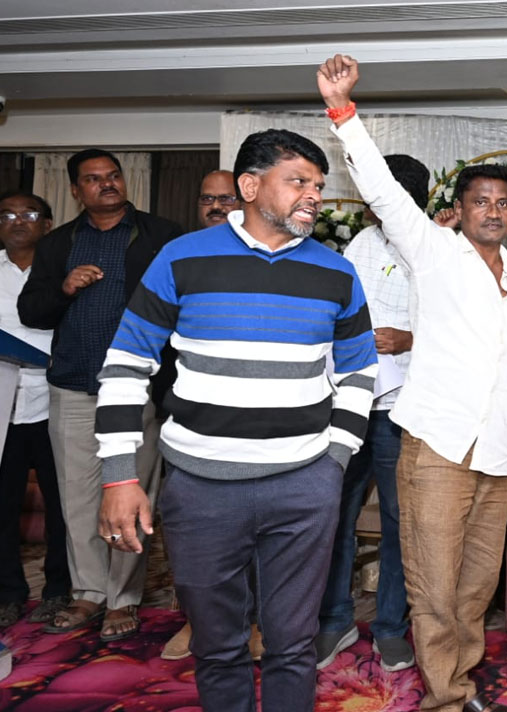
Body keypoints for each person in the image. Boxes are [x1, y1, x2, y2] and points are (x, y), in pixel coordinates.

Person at [94, 128, 377, 712]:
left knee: (293, 645)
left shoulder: (337, 272)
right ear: (250, 186)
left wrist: (334, 461)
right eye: (298, 181)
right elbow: (126, 364)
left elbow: (359, 371)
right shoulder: (182, 258)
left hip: (303, 485)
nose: (314, 195)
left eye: (318, 185)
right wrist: (119, 474)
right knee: (218, 646)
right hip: (200, 489)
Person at [318, 54, 507, 712]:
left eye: (503, 203)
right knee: (433, 581)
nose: (493, 212)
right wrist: (343, 113)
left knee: (475, 587)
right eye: (481, 202)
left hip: (500, 453)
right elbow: (383, 192)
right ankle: (446, 695)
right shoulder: (433, 252)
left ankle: (461, 677)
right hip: (436, 447)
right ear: (460, 209)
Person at [18, 148, 183, 640]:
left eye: (113, 176)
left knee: (132, 495)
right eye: (93, 179)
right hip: (73, 385)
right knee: (77, 499)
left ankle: (123, 598)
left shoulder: (161, 235)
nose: (107, 184)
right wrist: (65, 288)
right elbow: (32, 311)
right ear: (75, 191)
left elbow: (184, 304)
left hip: (138, 389)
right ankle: (89, 592)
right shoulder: (58, 244)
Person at [314, 153, 430, 674]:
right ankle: (335, 620)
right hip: (349, 401)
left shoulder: (434, 248)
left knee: (400, 521)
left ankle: (389, 629)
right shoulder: (360, 244)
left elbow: (461, 328)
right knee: (334, 513)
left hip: (404, 407)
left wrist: (411, 339)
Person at [161, 167, 257, 662]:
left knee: (252, 536)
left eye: (226, 198)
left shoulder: (270, 256)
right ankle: (196, 621)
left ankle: (254, 623)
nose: (216, 206)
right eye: (206, 199)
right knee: (197, 538)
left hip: (260, 424)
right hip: (193, 423)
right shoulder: (180, 256)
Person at [0, 191, 70, 629]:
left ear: (47, 224)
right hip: (3, 407)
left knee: (63, 506)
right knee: (2, 507)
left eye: (28, 213)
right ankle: (8, 593)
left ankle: (59, 591)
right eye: (7, 214)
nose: (17, 221)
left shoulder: (63, 271)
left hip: (53, 401)